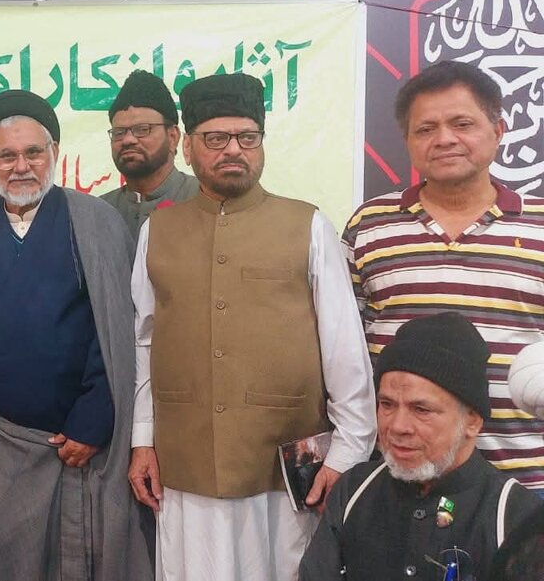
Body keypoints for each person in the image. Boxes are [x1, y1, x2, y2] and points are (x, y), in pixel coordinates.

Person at [128, 73, 376, 581]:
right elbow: (145, 340)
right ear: (188, 147)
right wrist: (143, 439)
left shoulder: (307, 225)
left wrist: (348, 451)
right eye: (216, 138)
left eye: (247, 137)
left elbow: (343, 346)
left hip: (282, 468)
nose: (233, 150)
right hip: (184, 459)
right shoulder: (158, 230)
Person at [0, 90, 153, 581]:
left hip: (76, 447)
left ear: (55, 153)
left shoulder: (95, 221)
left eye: (33, 153)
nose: (21, 166)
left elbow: (116, 329)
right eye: (7, 156)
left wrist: (93, 419)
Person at [343, 60, 544, 491]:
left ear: (498, 131)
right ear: (408, 141)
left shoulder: (539, 225)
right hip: (401, 478)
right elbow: (345, 354)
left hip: (525, 479)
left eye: (462, 124)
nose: (445, 139)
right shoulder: (370, 225)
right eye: (426, 129)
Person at [300, 312, 541, 581]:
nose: (398, 426)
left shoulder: (515, 517)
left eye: (421, 409)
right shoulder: (353, 491)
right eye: (387, 404)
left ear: (472, 420)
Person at [99, 70, 196, 234]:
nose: (128, 140)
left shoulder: (204, 200)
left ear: (172, 137)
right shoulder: (99, 211)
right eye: (119, 132)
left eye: (143, 129)